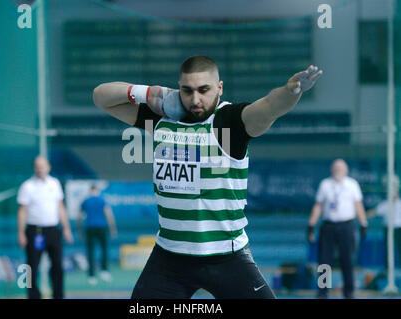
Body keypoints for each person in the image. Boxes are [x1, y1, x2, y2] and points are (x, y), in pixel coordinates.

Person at [93, 55, 323, 299]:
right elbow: (101, 96)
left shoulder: (230, 122)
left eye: (204, 90)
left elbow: (269, 106)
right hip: (169, 257)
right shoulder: (162, 119)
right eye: (187, 90)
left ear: (219, 88)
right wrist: (149, 92)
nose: (195, 99)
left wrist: (292, 90)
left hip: (226, 256)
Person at [307, 159, 368, 299]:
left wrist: (363, 223)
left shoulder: (352, 184)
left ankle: (349, 292)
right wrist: (311, 225)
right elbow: (318, 206)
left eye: (341, 168)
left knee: (347, 260)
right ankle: (323, 292)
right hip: (328, 226)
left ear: (346, 170)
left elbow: (358, 205)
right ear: (331, 170)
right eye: (335, 168)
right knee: (324, 261)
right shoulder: (325, 184)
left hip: (347, 226)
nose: (338, 170)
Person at [17, 156, 74, 299]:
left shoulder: (54, 184)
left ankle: (58, 295)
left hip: (53, 230)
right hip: (35, 231)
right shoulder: (27, 186)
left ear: (48, 167)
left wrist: (66, 228)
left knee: (57, 266)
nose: (40, 169)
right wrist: (21, 233)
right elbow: (22, 211)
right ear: (34, 168)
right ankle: (34, 296)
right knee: (31, 268)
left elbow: (60, 207)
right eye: (37, 166)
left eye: (42, 166)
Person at [79, 185, 117, 285]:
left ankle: (91, 276)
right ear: (97, 191)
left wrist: (80, 230)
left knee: (90, 252)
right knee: (104, 249)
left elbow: (79, 217)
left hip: (89, 227)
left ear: (90, 191)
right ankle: (104, 271)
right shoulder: (102, 200)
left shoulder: (86, 201)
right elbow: (109, 214)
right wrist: (112, 228)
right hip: (101, 227)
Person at [373, 175, 401, 268]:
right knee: (388, 250)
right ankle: (387, 269)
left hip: (398, 229)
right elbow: (374, 212)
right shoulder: (384, 204)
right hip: (387, 228)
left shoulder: (399, 203)